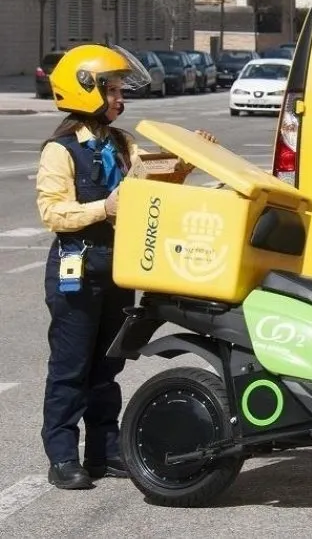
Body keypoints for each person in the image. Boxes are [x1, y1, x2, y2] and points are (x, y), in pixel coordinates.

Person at [35, 43, 218, 490]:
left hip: (119, 267)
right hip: (77, 266)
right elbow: (53, 213)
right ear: (85, 91)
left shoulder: (122, 143)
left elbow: (148, 184)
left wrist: (188, 162)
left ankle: (103, 450)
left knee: (107, 366)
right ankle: (62, 457)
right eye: (112, 90)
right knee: (70, 367)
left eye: (119, 90)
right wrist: (104, 207)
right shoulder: (60, 151)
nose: (120, 99)